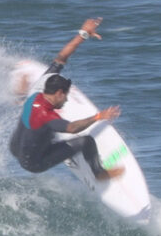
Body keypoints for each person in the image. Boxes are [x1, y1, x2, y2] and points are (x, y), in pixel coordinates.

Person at [9, 17, 125, 181]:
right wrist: (99, 116)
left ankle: (20, 99)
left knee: (42, 128)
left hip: (15, 148)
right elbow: (72, 128)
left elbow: (61, 57)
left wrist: (83, 34)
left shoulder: (36, 90)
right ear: (59, 93)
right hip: (33, 163)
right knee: (86, 142)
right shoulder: (47, 116)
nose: (66, 100)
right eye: (66, 96)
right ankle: (99, 173)